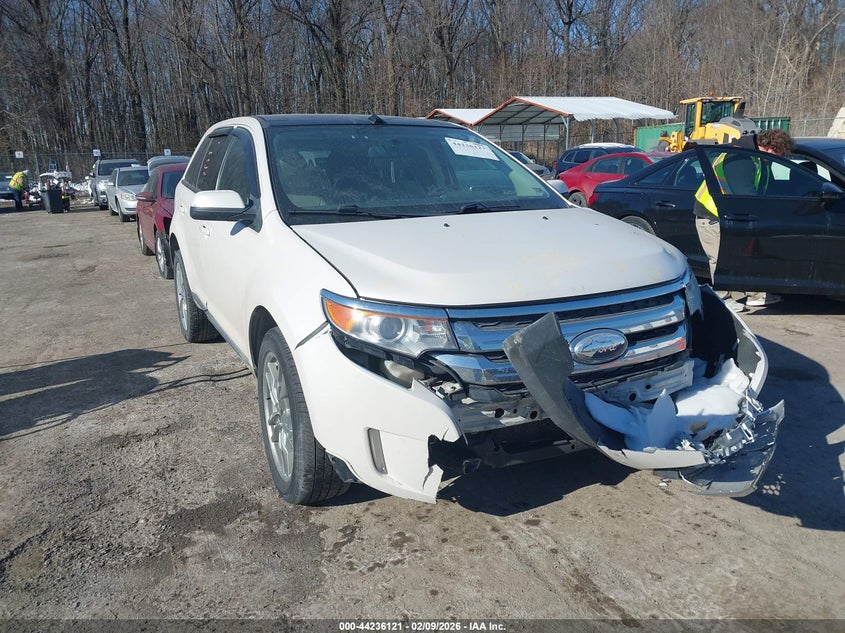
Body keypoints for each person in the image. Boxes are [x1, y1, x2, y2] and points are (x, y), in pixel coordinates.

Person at [693, 129, 794, 312]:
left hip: (731, 217)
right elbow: (745, 195)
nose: (776, 160)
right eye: (776, 155)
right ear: (767, 147)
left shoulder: (755, 157)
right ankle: (722, 297)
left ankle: (754, 294)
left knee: (742, 257)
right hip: (712, 216)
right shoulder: (740, 158)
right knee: (720, 259)